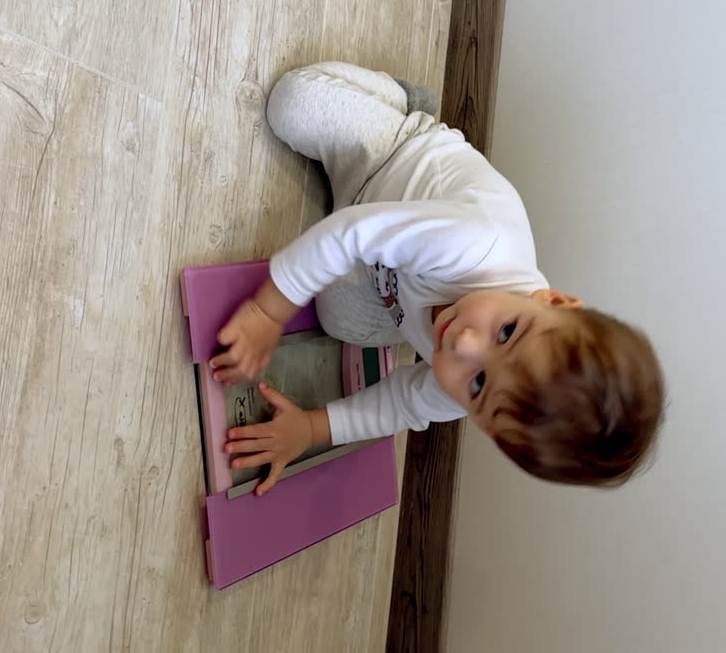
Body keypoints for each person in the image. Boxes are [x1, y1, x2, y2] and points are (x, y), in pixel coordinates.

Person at [209, 62, 665, 496]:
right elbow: (351, 234)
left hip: (385, 266)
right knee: (293, 102)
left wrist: (310, 428)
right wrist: (266, 312)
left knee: (339, 322)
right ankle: (402, 99)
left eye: (480, 385)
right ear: (554, 301)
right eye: (507, 332)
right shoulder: (478, 243)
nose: (464, 343)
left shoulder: (459, 391)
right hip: (389, 157)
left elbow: (401, 405)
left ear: (481, 421)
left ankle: (387, 276)